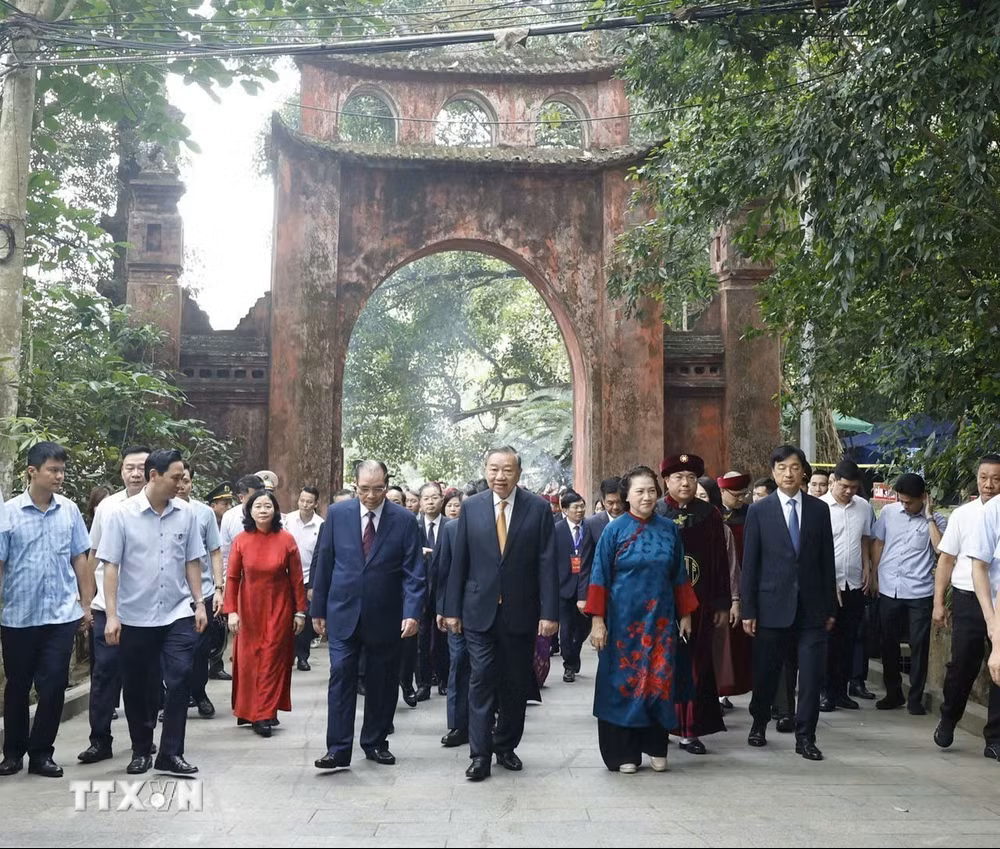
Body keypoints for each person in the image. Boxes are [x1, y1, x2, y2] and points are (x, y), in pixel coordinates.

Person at [444, 446, 559, 782]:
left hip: (520, 612)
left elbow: (546, 563)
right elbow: (459, 562)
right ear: (485, 470)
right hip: (478, 611)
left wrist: (549, 612)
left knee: (514, 683)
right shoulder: (471, 507)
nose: (499, 476)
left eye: (507, 470)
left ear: (518, 473)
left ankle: (505, 745)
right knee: (481, 678)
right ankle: (479, 755)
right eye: (494, 469)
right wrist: (451, 609)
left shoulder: (537, 509)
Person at [99, 448, 207, 776]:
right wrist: (113, 615)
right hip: (135, 615)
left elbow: (192, 561)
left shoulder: (186, 514)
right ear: (153, 476)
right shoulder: (121, 514)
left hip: (177, 612)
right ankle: (142, 748)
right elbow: (111, 566)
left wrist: (199, 603)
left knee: (179, 677)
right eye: (174, 477)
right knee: (138, 686)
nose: (180, 483)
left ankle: (171, 753)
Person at [311, 460, 424, 770]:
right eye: (364, 489)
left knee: (381, 682)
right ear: (354, 485)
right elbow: (325, 563)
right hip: (342, 612)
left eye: (378, 489)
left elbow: (414, 572)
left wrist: (412, 613)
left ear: (386, 485)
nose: (371, 496)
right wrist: (317, 610)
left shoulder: (403, 520)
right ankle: (337, 748)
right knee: (341, 676)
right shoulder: (337, 514)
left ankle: (375, 742)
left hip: (386, 616)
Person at [585, 465, 698, 773]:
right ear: (627, 496)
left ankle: (656, 746)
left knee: (658, 683)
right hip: (622, 624)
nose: (647, 497)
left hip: (660, 624)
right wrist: (598, 622)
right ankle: (625, 753)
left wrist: (685, 614)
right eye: (639, 491)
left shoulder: (668, 528)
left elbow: (679, 574)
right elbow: (599, 577)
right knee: (622, 684)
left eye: (651, 490)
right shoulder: (614, 530)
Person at [0, 442, 94, 778]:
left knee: (53, 684)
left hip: (59, 616)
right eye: (53, 470)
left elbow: (80, 559)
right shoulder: (8, 512)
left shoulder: (68, 511)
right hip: (18, 616)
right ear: (32, 472)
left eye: (61, 470)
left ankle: (42, 753)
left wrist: (86, 605)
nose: (59, 476)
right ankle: (12, 753)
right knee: (18, 685)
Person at [741, 444, 836, 761]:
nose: (788, 473)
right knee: (767, 673)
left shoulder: (819, 510)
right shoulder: (759, 511)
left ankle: (806, 737)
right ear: (773, 472)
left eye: (794, 467)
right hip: (771, 607)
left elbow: (827, 562)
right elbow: (750, 563)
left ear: (803, 471)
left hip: (811, 609)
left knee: (810, 676)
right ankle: (758, 722)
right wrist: (748, 609)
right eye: (781, 468)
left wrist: (830, 608)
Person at [79, 444, 149, 766]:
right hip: (106, 608)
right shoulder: (108, 507)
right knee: (104, 674)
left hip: (148, 612)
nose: (135, 473)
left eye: (141, 467)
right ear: (121, 471)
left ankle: (143, 741)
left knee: (145, 677)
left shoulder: (165, 506)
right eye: (128, 468)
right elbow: (94, 556)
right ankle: (99, 740)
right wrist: (87, 603)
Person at [656, 455, 729, 755]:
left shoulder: (709, 514)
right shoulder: (656, 511)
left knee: (695, 666)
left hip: (701, 605)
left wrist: (723, 603)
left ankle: (689, 730)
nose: (685, 483)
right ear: (666, 481)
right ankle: (659, 726)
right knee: (663, 665)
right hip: (661, 604)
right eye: (678, 477)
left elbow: (719, 563)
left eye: (690, 477)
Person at [224, 490, 306, 737]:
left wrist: (300, 611)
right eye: (257, 506)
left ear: (275, 510)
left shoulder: (287, 540)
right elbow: (232, 577)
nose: (262, 510)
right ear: (249, 511)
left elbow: (297, 579)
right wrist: (232, 612)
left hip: (279, 607)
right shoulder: (241, 540)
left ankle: (264, 714)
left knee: (272, 659)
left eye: (267, 506)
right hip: (248, 608)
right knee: (249, 662)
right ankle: (250, 709)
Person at [936, 456, 1000, 757]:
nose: (989, 484)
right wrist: (939, 601)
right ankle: (949, 718)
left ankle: (995, 738)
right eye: (984, 477)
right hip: (969, 599)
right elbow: (946, 559)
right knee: (963, 664)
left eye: (996, 479)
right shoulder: (964, 515)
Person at [872, 472, 946, 715]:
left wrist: (928, 518)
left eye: (909, 501)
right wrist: (873, 574)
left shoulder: (936, 520)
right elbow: (879, 543)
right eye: (901, 500)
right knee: (888, 642)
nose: (904, 505)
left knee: (919, 645)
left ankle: (915, 698)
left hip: (919, 591)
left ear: (923, 498)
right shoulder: (889, 513)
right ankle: (893, 693)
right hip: (889, 587)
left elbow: (940, 551)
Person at [819, 459, 875, 712]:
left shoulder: (863, 506)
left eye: (854, 487)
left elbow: (864, 539)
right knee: (826, 641)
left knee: (848, 640)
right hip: (827, 584)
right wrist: (828, 583)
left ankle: (841, 691)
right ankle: (824, 692)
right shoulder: (819, 508)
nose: (849, 491)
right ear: (833, 481)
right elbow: (814, 550)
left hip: (853, 582)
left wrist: (867, 567)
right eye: (844, 486)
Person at [177, 462, 225, 719]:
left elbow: (215, 551)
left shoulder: (204, 513)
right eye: (177, 479)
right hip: (172, 593)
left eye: (186, 480)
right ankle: (176, 697)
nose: (181, 485)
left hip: (203, 592)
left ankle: (199, 692)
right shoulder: (158, 509)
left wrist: (219, 588)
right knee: (173, 650)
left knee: (199, 648)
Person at [284, 486, 323, 672]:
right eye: (302, 500)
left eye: (309, 501)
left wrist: (315, 583)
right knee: (286, 615)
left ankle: (303, 657)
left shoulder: (321, 524)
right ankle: (287, 654)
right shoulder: (287, 521)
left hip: (308, 577)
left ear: (316, 503)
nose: (305, 504)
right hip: (286, 576)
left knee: (306, 619)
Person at [555, 490, 590, 683]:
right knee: (566, 630)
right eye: (576, 507)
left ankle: (574, 652)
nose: (580, 510)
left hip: (585, 586)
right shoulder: (556, 529)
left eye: (582, 506)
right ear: (565, 509)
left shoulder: (591, 527)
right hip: (564, 587)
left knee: (583, 628)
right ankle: (569, 665)